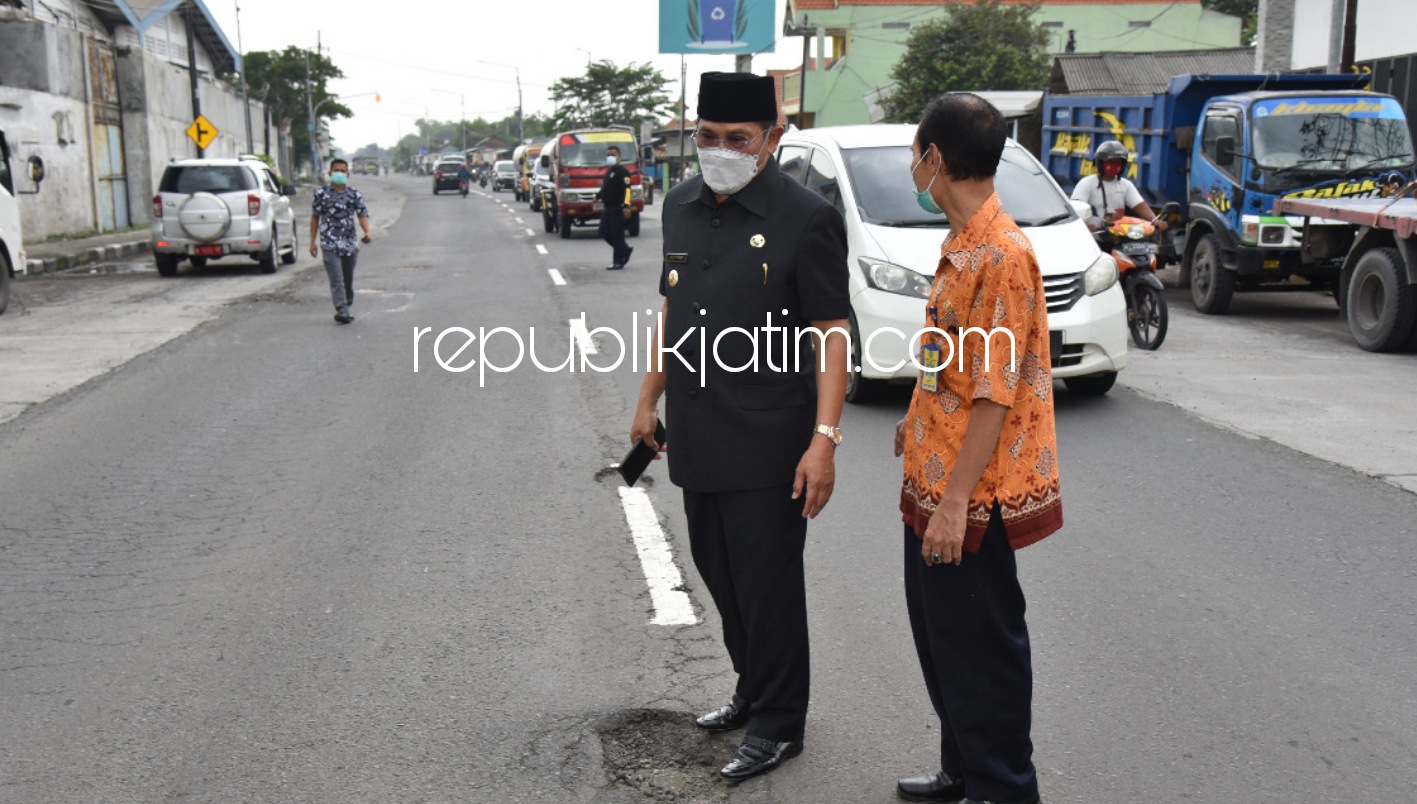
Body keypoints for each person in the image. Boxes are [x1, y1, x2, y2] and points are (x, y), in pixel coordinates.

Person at [628, 71, 850, 783]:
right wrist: (646, 399)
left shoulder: (805, 216)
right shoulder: (682, 206)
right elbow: (673, 309)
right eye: (707, 137)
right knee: (720, 576)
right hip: (697, 429)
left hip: (770, 440)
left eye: (737, 139)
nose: (718, 150)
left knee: (767, 586)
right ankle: (753, 690)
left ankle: (780, 723)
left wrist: (824, 439)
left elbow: (830, 331)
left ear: (772, 139)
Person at [892, 93, 1062, 804]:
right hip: (931, 480)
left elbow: (995, 390)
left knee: (982, 651)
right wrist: (915, 415)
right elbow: (949, 363)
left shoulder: (1002, 253)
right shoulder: (960, 245)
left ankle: (1001, 788)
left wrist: (955, 501)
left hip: (972, 497)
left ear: (934, 158)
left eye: (913, 152)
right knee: (942, 642)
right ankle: (962, 767)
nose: (911, 164)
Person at [309, 157, 372, 325]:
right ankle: (342, 309)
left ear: (348, 174)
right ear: (330, 173)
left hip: (349, 243)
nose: (339, 174)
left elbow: (362, 214)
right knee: (336, 279)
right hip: (329, 243)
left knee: (347, 279)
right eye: (336, 171)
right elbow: (315, 218)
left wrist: (367, 231)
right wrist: (312, 242)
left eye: (342, 171)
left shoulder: (354, 194)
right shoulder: (321, 194)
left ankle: (347, 303)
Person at [1071, 140, 1164, 232]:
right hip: (1094, 237)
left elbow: (1140, 205)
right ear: (1100, 163)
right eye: (1110, 161)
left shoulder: (1126, 185)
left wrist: (1155, 221)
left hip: (1118, 236)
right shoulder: (1086, 183)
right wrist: (1084, 226)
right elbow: (1075, 211)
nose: (1114, 165)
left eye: (1118, 162)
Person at [598, 145, 633, 270]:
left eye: (613, 155)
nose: (610, 157)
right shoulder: (609, 171)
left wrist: (626, 206)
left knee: (617, 235)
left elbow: (627, 190)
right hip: (607, 208)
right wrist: (597, 196)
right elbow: (605, 187)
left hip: (618, 208)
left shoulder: (623, 172)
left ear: (619, 157)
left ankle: (618, 261)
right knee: (604, 232)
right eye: (608, 155)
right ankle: (624, 249)